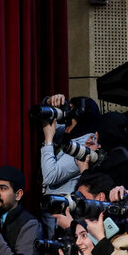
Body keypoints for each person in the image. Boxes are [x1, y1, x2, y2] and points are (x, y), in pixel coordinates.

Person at [39, 94, 100, 237]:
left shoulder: (84, 145)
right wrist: (48, 102)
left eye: (70, 113)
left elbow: (50, 176)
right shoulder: (72, 132)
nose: (65, 118)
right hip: (51, 211)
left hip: (63, 216)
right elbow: (42, 121)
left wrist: (48, 140)